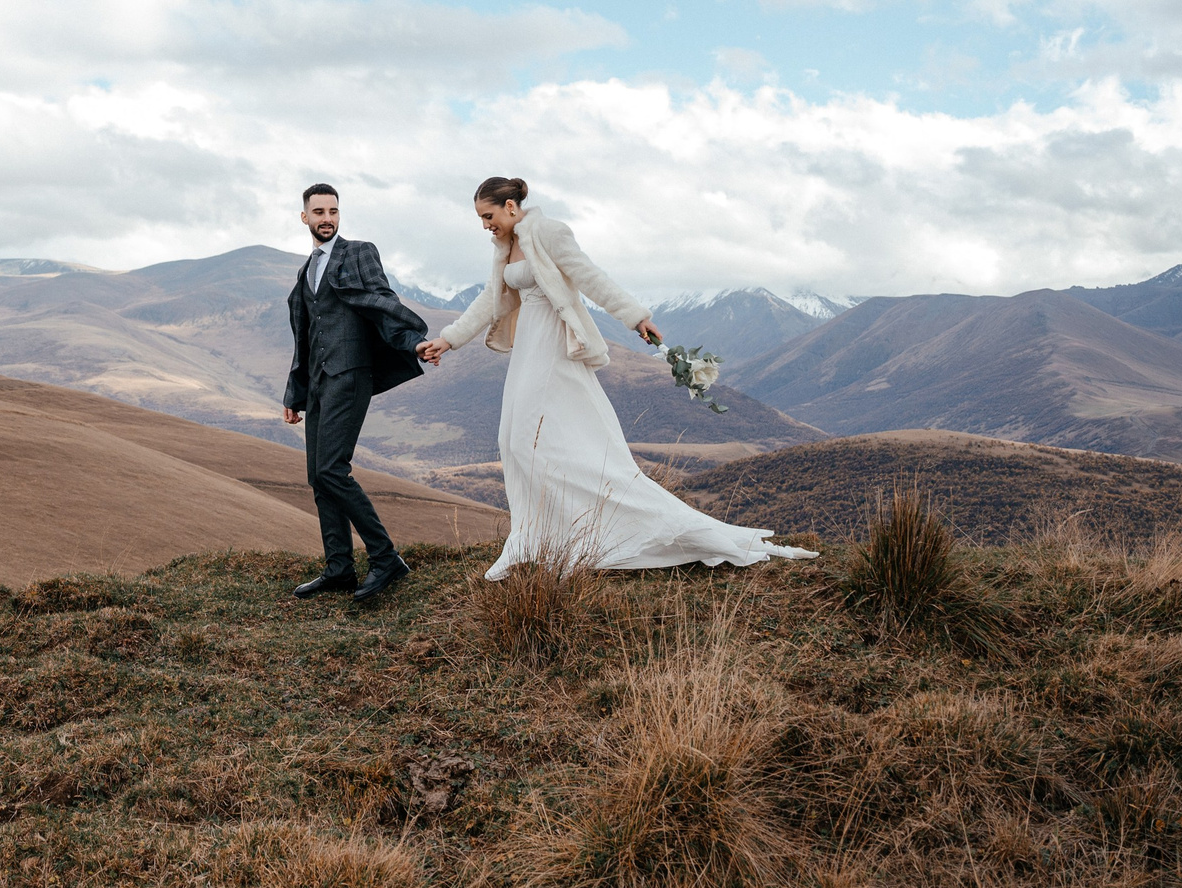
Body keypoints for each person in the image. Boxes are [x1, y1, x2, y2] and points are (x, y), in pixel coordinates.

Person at [419, 177, 815, 575]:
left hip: (554, 345)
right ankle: (542, 536)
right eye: (480, 218)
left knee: (526, 440)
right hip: (528, 347)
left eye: (488, 216)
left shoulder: (549, 232)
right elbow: (490, 299)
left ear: (510, 206)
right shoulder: (504, 247)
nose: (485, 225)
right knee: (513, 440)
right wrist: (448, 340)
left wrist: (636, 317)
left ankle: (585, 534)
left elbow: (590, 277)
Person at [282, 184, 436, 603]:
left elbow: (383, 302)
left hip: (350, 375)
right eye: (319, 212)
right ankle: (339, 568)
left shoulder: (358, 252)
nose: (327, 218)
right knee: (318, 476)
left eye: (333, 211)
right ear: (305, 218)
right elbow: (305, 338)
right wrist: (294, 395)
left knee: (333, 469)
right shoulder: (307, 270)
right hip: (318, 381)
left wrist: (413, 343)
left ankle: (385, 557)